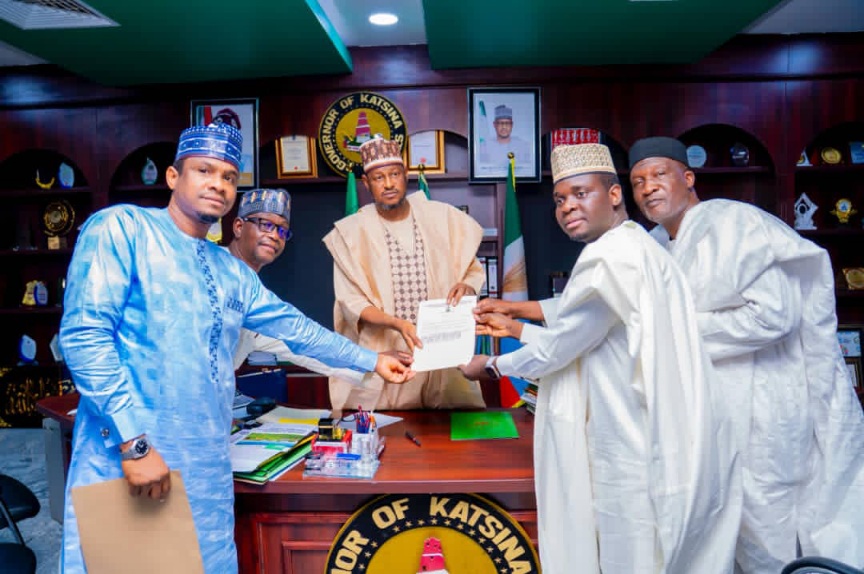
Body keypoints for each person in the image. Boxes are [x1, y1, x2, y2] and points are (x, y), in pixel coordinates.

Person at [58, 123, 413, 573]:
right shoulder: (123, 228)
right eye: (204, 170)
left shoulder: (230, 270)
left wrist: (372, 359)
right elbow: (85, 336)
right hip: (136, 458)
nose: (218, 184)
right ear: (173, 176)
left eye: (228, 176)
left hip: (206, 468)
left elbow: (296, 329)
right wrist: (135, 445)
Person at [459, 143, 741, 574]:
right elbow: (589, 333)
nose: (568, 206)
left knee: (629, 556)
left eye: (580, 193)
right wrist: (516, 326)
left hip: (625, 442)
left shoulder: (608, 257)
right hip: (651, 431)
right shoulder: (639, 245)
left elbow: (559, 350)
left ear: (613, 194)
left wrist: (492, 366)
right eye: (559, 199)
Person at [628, 136, 864, 573]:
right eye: (638, 181)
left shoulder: (733, 223)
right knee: (720, 536)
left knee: (767, 535)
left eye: (659, 174)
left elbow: (775, 315)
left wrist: (675, 330)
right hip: (712, 414)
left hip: (764, 413)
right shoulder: (656, 245)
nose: (648, 187)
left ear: (688, 177)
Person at [323, 136, 486, 410]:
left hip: (443, 356)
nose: (388, 184)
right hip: (388, 357)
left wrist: (468, 286)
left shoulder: (442, 217)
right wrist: (398, 324)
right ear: (366, 183)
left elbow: (471, 268)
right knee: (387, 431)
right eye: (379, 178)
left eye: (395, 174)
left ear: (405, 174)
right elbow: (352, 303)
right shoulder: (351, 233)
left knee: (452, 430)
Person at [228, 187, 372, 385]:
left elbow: (302, 348)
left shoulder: (255, 297)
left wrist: (374, 367)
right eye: (265, 225)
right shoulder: (217, 269)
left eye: (282, 230)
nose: (275, 235)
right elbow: (299, 330)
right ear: (238, 227)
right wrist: (373, 361)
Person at [481, 104, 533, 175]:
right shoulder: (484, 147)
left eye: (507, 123)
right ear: (494, 125)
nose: (504, 127)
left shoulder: (523, 146)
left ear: (512, 125)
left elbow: (527, 171)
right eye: (500, 123)